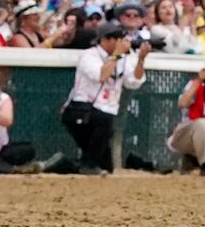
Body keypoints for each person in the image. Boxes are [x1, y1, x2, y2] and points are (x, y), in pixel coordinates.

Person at [59, 20, 143, 173]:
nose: (120, 42)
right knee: (104, 121)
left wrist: (141, 59)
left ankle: (70, 165)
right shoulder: (89, 55)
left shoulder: (122, 59)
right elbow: (101, 76)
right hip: (80, 110)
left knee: (106, 166)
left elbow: (134, 82)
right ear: (104, 40)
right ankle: (87, 165)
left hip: (104, 112)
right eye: (116, 38)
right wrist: (117, 55)